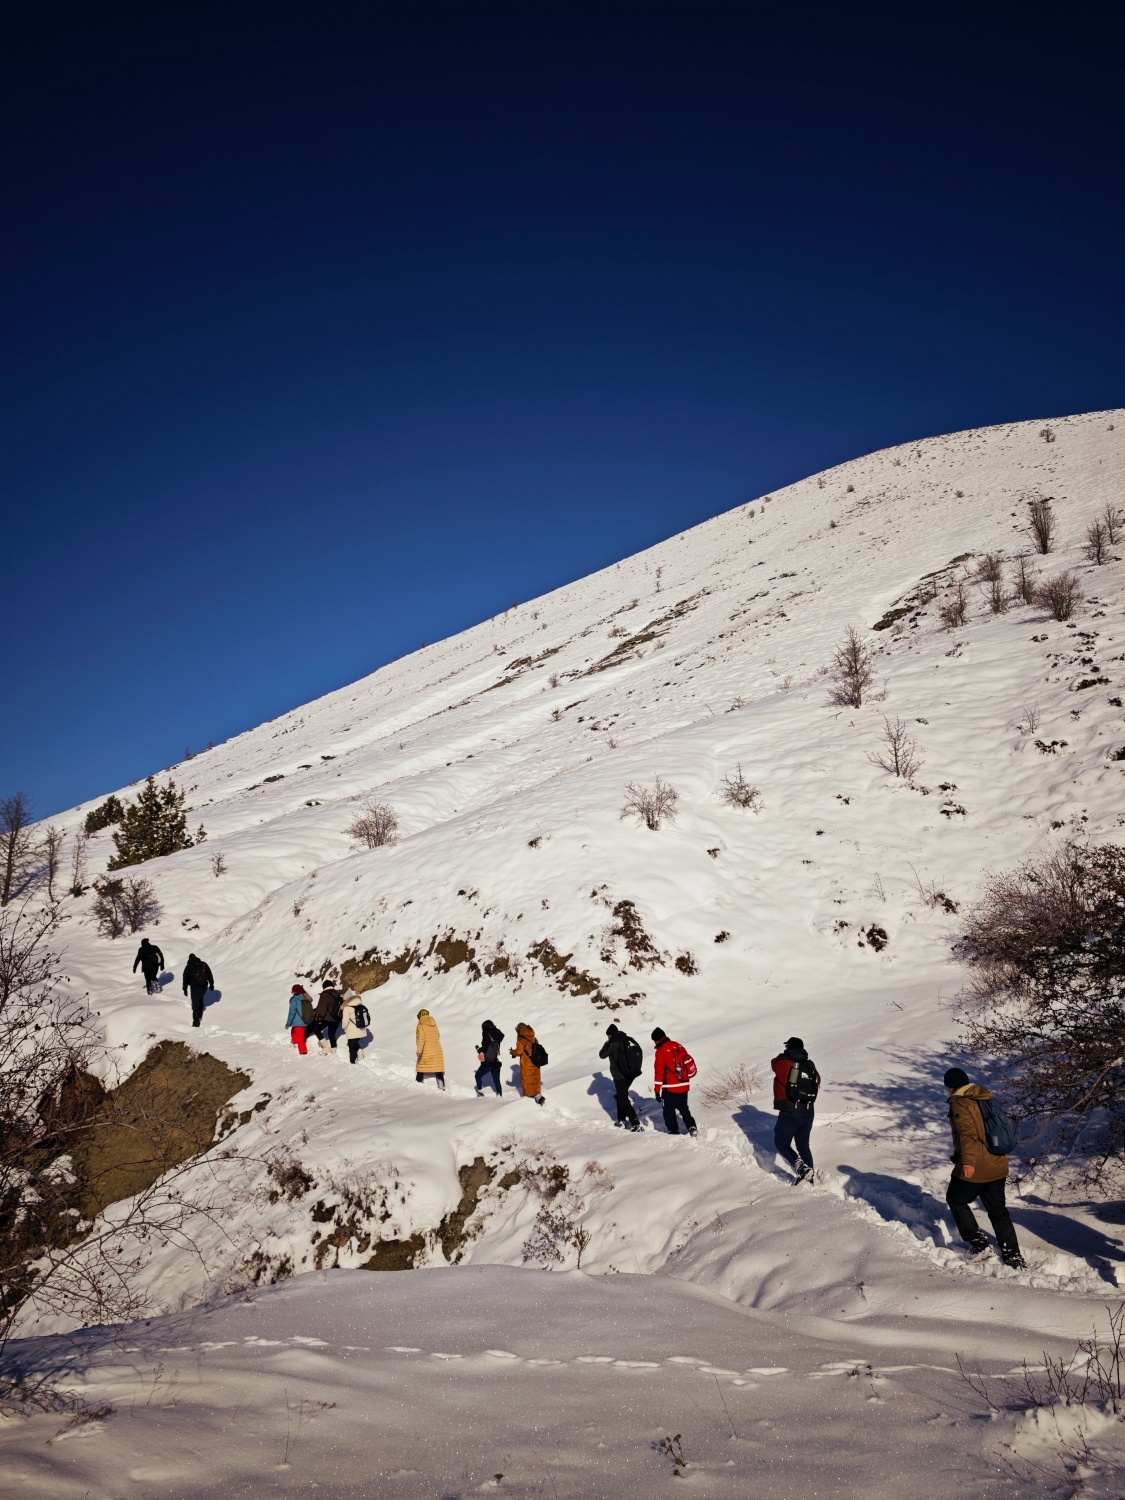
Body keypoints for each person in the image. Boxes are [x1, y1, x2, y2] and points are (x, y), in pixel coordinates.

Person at [944, 1067, 1026, 1268]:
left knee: (955, 1199)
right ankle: (1013, 1255)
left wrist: (968, 1163)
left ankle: (979, 1244)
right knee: (998, 1212)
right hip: (998, 1164)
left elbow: (968, 1134)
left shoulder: (960, 1103)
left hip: (977, 1166)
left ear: (951, 1087)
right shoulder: (985, 1096)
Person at [771, 1036, 820, 1182]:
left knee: (781, 1143)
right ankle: (809, 1178)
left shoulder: (783, 1062)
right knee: (803, 1145)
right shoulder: (809, 1064)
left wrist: (783, 1055)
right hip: (808, 1110)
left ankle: (800, 1168)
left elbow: (773, 1063)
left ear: (788, 1048)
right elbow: (818, 1080)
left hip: (790, 1110)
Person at [651, 1028, 696, 1135]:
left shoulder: (661, 1051)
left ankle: (673, 1131)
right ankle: (692, 1127)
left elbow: (659, 1073)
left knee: (668, 1111)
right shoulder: (678, 1045)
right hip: (684, 1084)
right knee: (684, 1108)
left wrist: (657, 1090)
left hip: (670, 1088)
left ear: (656, 1040)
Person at [599, 1023, 642, 1130]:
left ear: (610, 1034)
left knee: (622, 1099)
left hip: (620, 1076)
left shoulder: (614, 1042)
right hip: (629, 1074)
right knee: (621, 1097)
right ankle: (621, 1119)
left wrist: (606, 1044)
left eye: (608, 1035)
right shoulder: (626, 1039)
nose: (608, 1037)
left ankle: (635, 1122)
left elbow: (602, 1055)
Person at [511, 1022, 545, 1104]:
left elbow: (519, 1052)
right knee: (535, 1080)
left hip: (527, 1064)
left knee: (527, 1081)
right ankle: (537, 1095)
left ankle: (528, 1100)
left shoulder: (521, 1040)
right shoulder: (534, 1038)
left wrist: (512, 1052)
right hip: (536, 1062)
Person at [181, 952, 214, 1028]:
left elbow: (185, 978)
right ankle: (200, 1015)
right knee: (201, 999)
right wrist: (211, 984)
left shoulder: (189, 967)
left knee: (195, 1004)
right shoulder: (203, 964)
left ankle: (196, 1022)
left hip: (194, 987)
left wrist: (185, 989)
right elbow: (209, 974)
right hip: (204, 987)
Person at [415, 1009, 446, 1089]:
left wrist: (419, 1051)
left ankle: (418, 1083)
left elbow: (421, 1039)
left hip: (426, 1049)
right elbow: (438, 1035)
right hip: (437, 1048)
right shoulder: (434, 1024)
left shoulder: (421, 1025)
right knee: (438, 1067)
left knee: (420, 1067)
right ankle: (441, 1085)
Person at [311, 984, 344, 1055]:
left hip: (328, 1018)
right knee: (331, 1034)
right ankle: (333, 1051)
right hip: (337, 1018)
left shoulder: (325, 994)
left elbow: (322, 1007)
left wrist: (319, 1017)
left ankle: (326, 1048)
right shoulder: (336, 993)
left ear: (324, 987)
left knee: (316, 1030)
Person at [475, 1019, 505, 1096]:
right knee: (496, 1080)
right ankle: (499, 1095)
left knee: (477, 1075)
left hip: (488, 1062)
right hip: (497, 1061)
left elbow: (485, 1048)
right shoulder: (497, 1034)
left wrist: (479, 1050)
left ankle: (480, 1092)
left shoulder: (486, 1034)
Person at [341, 990, 369, 1064]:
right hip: (361, 1028)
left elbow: (345, 1021)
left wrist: (343, 1027)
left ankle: (352, 1062)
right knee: (355, 1043)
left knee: (352, 1047)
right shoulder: (360, 1005)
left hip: (352, 1031)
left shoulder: (347, 1008)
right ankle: (359, 1051)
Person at [286, 984, 314, 1055]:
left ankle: (303, 1051)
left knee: (300, 1037)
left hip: (298, 1022)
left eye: (292, 991)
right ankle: (294, 1042)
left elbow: (291, 1012)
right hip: (306, 1020)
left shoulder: (294, 999)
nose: (291, 993)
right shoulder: (306, 997)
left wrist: (288, 1023)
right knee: (294, 1031)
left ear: (295, 991)